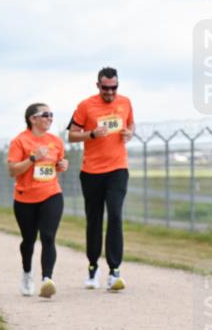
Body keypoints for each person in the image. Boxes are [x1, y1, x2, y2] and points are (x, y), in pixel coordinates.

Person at [67, 67, 134, 291]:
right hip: (92, 172)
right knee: (94, 219)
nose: (110, 92)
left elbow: (130, 124)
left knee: (115, 215)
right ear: (98, 86)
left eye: (114, 87)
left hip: (117, 169)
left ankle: (114, 271)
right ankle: (93, 267)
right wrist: (92, 134)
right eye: (106, 88)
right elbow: (71, 135)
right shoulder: (85, 106)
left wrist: (129, 133)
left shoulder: (125, 102)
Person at [7, 103, 68, 298]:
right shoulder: (20, 141)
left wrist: (61, 165)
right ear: (33, 119)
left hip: (51, 193)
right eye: (46, 114)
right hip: (25, 198)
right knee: (29, 240)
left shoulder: (56, 141)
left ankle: (47, 280)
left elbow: (55, 165)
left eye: (51, 114)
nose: (50, 118)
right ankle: (27, 273)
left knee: (48, 236)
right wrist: (33, 158)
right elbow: (12, 170)